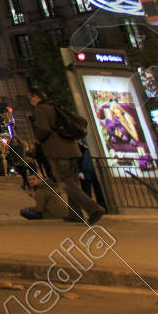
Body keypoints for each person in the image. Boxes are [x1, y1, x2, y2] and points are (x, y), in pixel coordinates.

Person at [30, 88, 105, 225]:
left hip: (57, 151)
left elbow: (44, 129)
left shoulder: (41, 109)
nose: (31, 101)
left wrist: (37, 139)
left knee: (66, 183)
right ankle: (75, 214)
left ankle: (94, 209)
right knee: (72, 182)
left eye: (31, 98)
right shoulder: (55, 107)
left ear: (36, 97)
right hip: (72, 150)